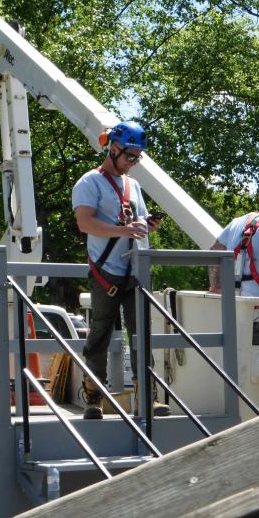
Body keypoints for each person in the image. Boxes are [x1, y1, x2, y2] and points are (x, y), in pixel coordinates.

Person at [72, 120, 169, 420]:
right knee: (100, 332)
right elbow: (84, 223)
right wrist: (124, 231)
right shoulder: (90, 182)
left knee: (142, 334)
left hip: (134, 270)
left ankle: (146, 398)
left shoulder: (133, 186)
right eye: (130, 157)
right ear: (113, 149)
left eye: (138, 158)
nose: (133, 163)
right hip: (106, 272)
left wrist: (145, 225)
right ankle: (93, 398)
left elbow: (134, 223)